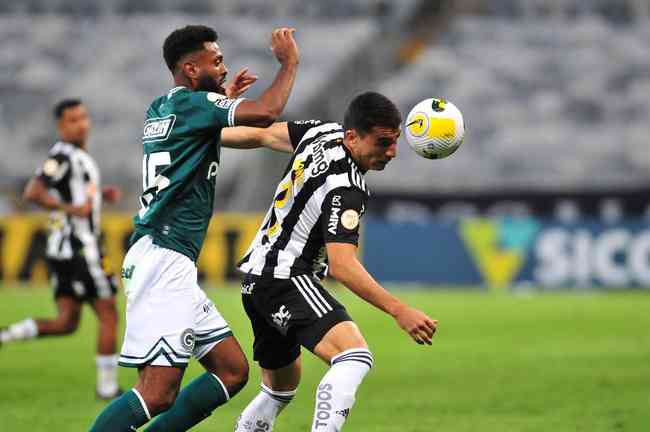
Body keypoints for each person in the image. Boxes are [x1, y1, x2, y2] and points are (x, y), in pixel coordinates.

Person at [89, 24, 299, 432]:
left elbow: (200, 130)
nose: (223, 68)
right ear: (190, 68)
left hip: (163, 254)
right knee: (158, 392)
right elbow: (268, 111)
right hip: (164, 257)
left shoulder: (160, 107)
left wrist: (221, 100)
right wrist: (289, 63)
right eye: (216, 61)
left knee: (232, 370)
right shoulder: (196, 106)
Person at [219, 91, 438, 432]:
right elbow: (343, 266)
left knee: (279, 389)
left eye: (395, 142)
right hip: (284, 277)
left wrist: (201, 133)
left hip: (256, 280)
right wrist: (399, 310)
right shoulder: (346, 189)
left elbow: (261, 134)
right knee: (353, 356)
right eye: (382, 143)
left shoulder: (321, 131)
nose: (391, 152)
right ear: (353, 137)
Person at [0, 98, 123, 400]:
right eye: (73, 120)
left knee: (66, 322)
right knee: (109, 314)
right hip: (81, 248)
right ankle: (107, 388)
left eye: (83, 117)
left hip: (63, 250)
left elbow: (74, 196)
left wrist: (99, 198)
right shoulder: (62, 155)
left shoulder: (78, 157)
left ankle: (5, 335)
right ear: (61, 126)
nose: (81, 124)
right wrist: (70, 208)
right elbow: (34, 192)